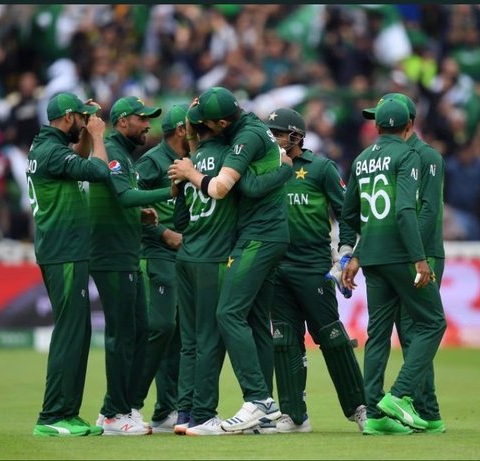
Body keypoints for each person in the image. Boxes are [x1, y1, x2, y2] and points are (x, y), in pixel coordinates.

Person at [168, 87, 290, 433]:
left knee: (227, 314)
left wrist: (190, 173)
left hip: (257, 236)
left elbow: (221, 188)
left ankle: (258, 401)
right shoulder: (243, 131)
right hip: (261, 234)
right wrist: (283, 168)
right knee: (254, 321)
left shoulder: (243, 139)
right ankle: (264, 414)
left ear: (221, 122)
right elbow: (252, 184)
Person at [341, 98, 446, 435]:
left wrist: (353, 253)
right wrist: (420, 257)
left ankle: (374, 414)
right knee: (433, 323)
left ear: (376, 126)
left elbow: (350, 213)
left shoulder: (361, 159)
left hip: (372, 256)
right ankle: (399, 397)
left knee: (378, 334)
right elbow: (405, 211)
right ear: (409, 125)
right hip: (404, 255)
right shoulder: (408, 154)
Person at [264, 108, 367, 434]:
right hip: (276, 266)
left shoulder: (321, 168)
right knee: (284, 340)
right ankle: (294, 415)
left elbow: (348, 212)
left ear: (296, 136)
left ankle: (360, 407)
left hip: (312, 266)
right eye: (270, 132)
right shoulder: (264, 167)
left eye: (278, 133)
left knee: (332, 338)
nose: (272, 138)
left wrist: (346, 252)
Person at [90, 96, 176, 436]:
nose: (148, 125)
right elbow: (123, 196)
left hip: (126, 252)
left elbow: (122, 201)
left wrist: (140, 214)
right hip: (112, 254)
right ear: (123, 121)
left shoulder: (125, 155)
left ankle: (119, 408)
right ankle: (114, 413)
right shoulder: (112, 150)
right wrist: (168, 192)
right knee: (122, 334)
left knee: (139, 332)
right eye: (142, 119)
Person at [28, 91, 108, 437]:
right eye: (80, 117)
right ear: (67, 117)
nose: (84, 123)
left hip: (64, 249)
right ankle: (51, 417)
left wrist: (87, 132)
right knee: (70, 331)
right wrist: (99, 136)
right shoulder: (51, 152)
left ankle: (68, 413)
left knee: (78, 331)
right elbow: (100, 170)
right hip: (63, 251)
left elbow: (78, 157)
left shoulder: (48, 147)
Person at [131, 104, 189, 433]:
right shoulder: (151, 162)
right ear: (181, 130)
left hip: (184, 256)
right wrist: (163, 233)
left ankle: (167, 409)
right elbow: (131, 205)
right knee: (161, 326)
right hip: (155, 253)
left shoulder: (192, 161)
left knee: (178, 332)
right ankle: (128, 403)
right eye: (193, 127)